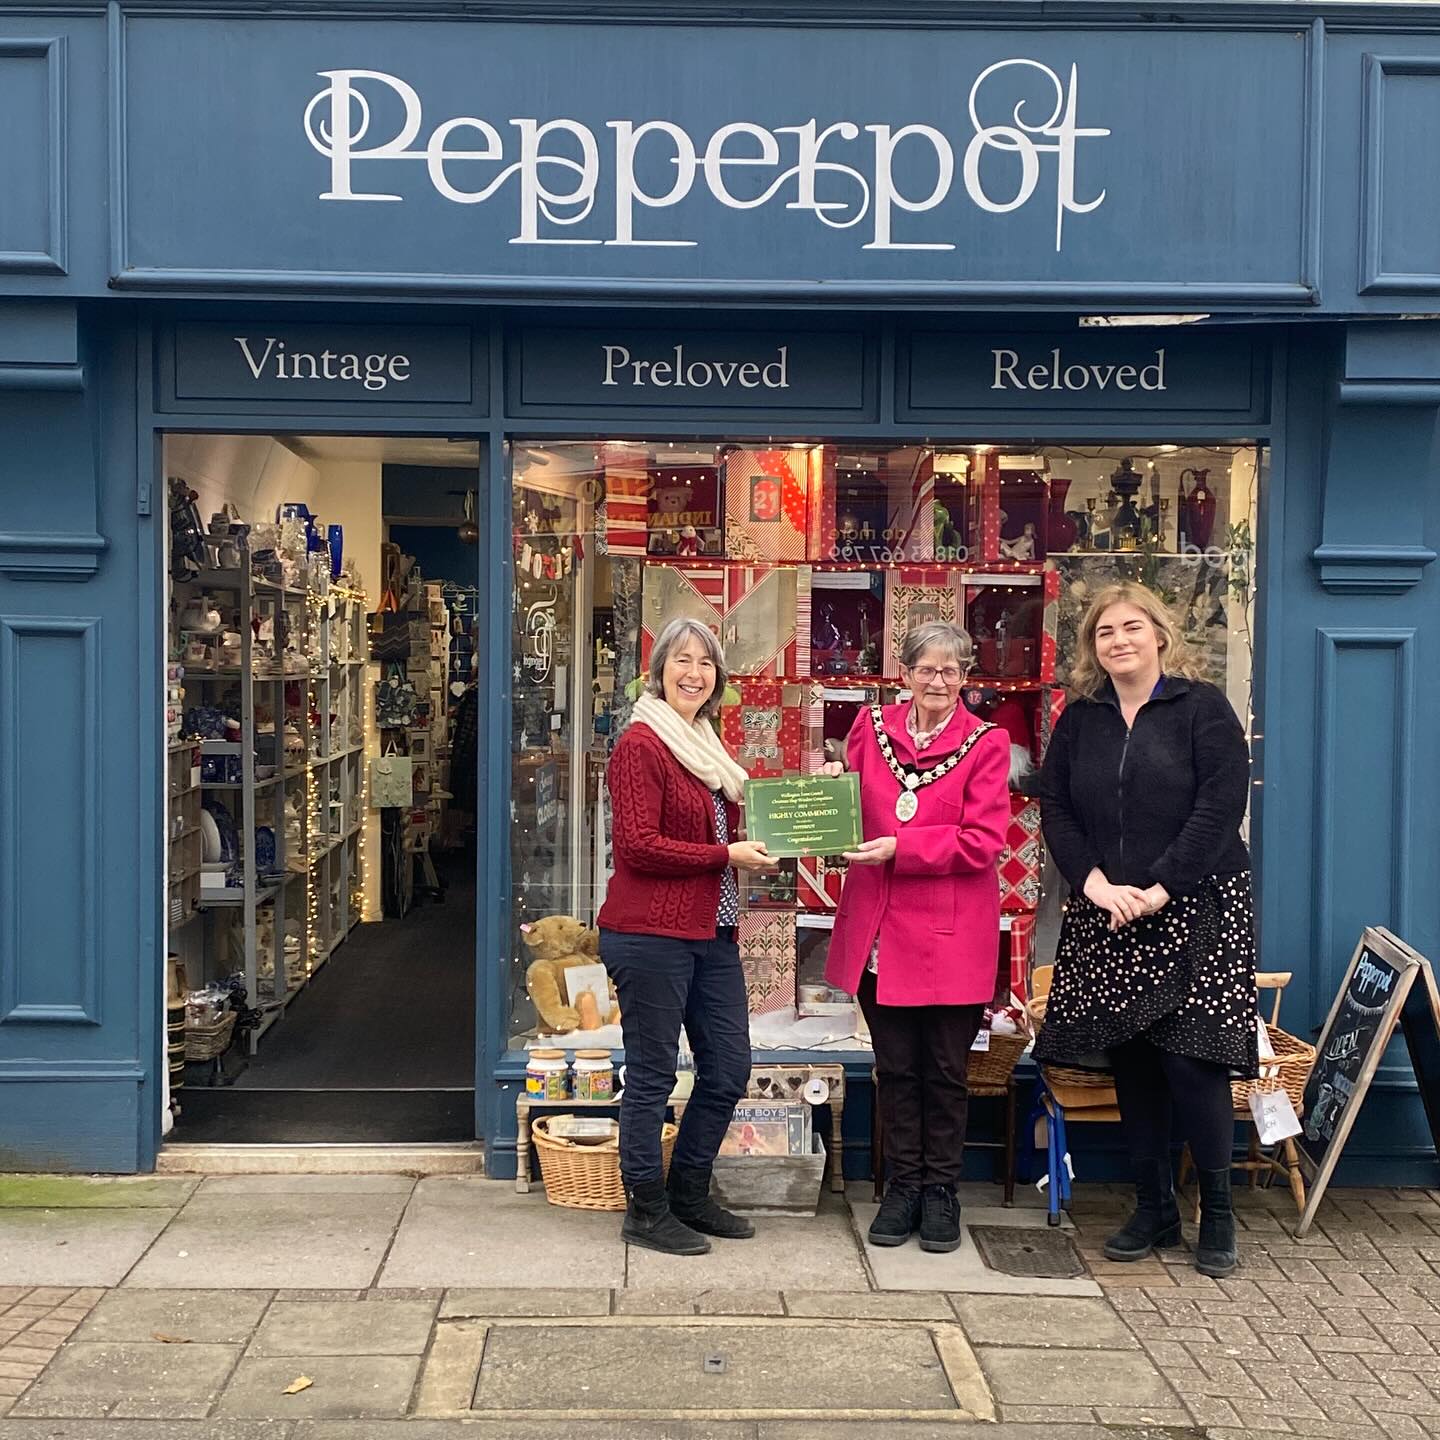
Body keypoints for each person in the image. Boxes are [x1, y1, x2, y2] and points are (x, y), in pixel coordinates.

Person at [1035, 581, 1257, 1279]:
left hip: (1196, 907)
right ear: (1092, 647)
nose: (1119, 641)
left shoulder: (1202, 710)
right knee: (1132, 1059)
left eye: (1132, 627)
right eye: (1105, 632)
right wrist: (1095, 883)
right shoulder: (1081, 721)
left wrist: (1161, 887)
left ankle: (1216, 1213)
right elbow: (1058, 809)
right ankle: (1152, 1205)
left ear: (1160, 634)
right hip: (1110, 910)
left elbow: (1219, 808)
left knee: (1192, 1061)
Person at [823, 620, 1011, 1253]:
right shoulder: (868, 730)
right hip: (878, 928)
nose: (938, 680)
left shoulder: (987, 744)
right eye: (927, 669)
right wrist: (821, 805)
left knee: (944, 1071)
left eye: (951, 670)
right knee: (895, 1069)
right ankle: (901, 1188)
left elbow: (983, 842)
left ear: (965, 679)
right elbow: (844, 805)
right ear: (904, 673)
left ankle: (941, 1192)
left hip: (950, 932)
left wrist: (901, 847)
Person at [597, 617, 774, 1255]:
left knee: (728, 1069)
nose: (693, 672)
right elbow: (638, 848)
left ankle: (690, 1193)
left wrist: (814, 798)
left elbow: (742, 823)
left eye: (705, 663)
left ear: (717, 680)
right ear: (660, 671)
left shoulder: (706, 747)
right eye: (681, 660)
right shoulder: (641, 743)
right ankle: (644, 1210)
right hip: (648, 934)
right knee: (650, 1077)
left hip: (711, 932)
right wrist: (726, 855)